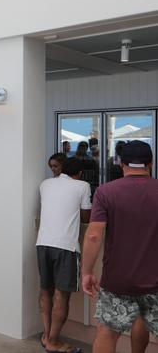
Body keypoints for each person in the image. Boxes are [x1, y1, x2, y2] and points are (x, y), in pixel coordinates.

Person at [82, 141, 158, 353]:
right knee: (143, 319)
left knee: (108, 330)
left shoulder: (106, 192)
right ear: (150, 163)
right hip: (155, 278)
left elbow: (94, 236)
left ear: (121, 163)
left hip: (117, 279)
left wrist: (86, 272)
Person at [37, 157, 91, 352]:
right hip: (66, 246)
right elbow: (86, 217)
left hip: (42, 243)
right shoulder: (83, 186)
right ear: (80, 173)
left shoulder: (45, 184)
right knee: (61, 295)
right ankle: (53, 341)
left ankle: (45, 335)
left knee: (45, 290)